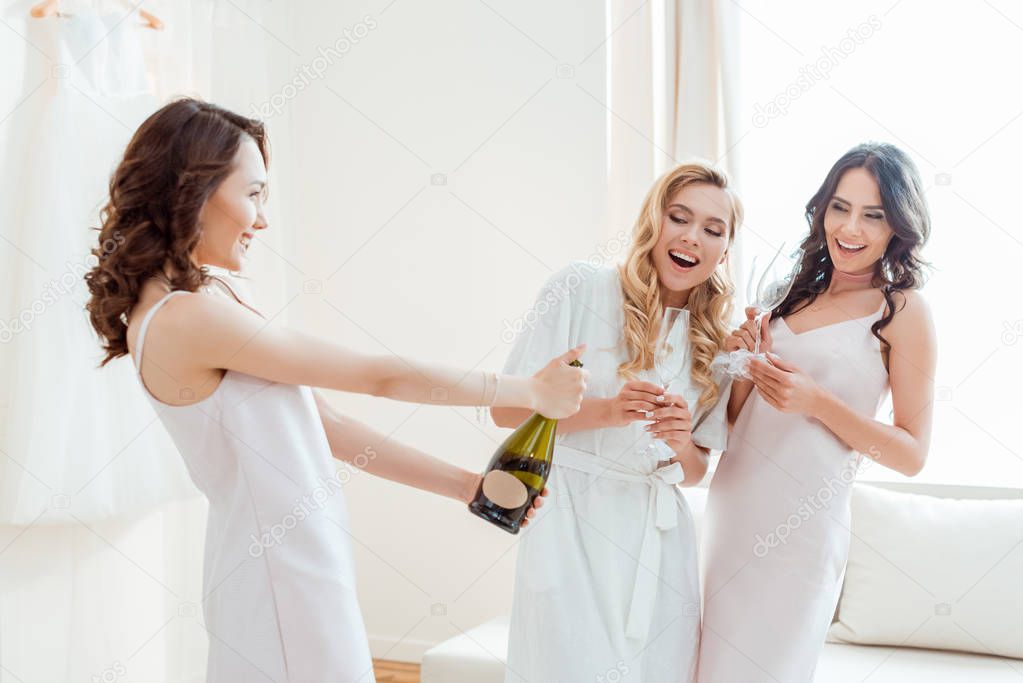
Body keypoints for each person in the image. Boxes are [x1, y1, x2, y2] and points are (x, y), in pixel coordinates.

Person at [83, 97, 588, 683]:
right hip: (275, 573)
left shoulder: (209, 302)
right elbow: (378, 375)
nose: (263, 219)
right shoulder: (184, 319)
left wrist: (469, 488)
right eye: (253, 194)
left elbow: (331, 429)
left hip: (298, 560)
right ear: (189, 190)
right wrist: (527, 390)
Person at [697, 142, 936, 683]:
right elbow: (737, 424)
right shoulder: (789, 295)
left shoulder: (901, 310)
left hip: (802, 529)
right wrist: (742, 365)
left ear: (897, 226)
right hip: (734, 512)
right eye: (839, 207)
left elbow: (913, 454)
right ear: (822, 209)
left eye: (873, 215)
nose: (850, 228)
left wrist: (817, 402)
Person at [495, 161, 742, 683]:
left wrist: (680, 441)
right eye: (680, 217)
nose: (692, 237)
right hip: (571, 519)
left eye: (713, 230)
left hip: (659, 535)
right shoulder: (580, 288)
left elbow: (697, 472)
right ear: (655, 220)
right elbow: (506, 409)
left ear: (725, 248)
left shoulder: (716, 342)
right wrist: (607, 412)